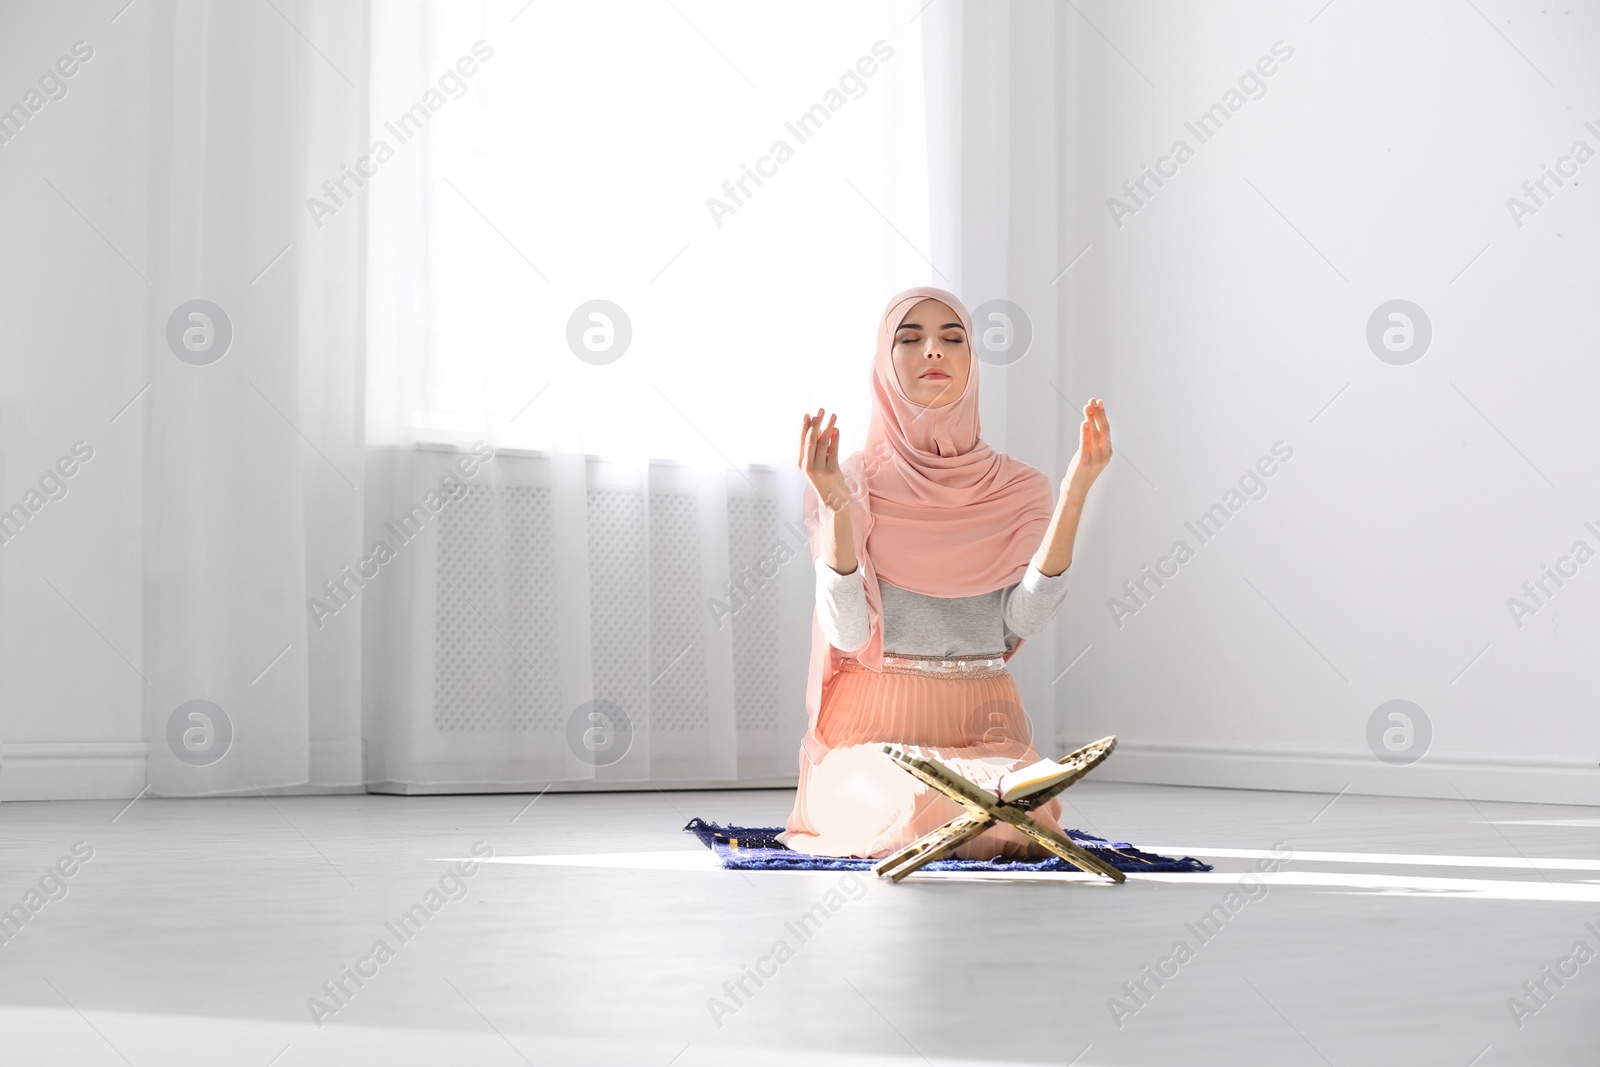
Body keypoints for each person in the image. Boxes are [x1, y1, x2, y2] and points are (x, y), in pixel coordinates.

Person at [777, 286, 1112, 860]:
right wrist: (835, 508)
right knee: (916, 808)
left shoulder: (1020, 488)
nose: (934, 351)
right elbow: (851, 637)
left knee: (1030, 820)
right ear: (886, 363)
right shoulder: (847, 479)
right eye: (910, 339)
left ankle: (993, 797)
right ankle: (982, 800)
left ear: (971, 363)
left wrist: (1074, 494)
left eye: (952, 339)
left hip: (985, 724)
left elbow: (1022, 621)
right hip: (874, 730)